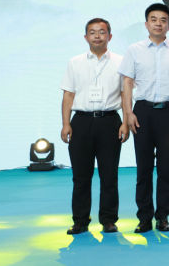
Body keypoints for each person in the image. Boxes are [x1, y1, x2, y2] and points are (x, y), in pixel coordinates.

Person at [119, 3, 169, 233]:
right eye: (154, 19)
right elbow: (127, 83)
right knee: (144, 168)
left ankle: (163, 217)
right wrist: (128, 113)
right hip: (142, 112)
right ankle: (144, 217)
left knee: (166, 169)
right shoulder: (134, 49)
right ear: (146, 23)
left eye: (163, 20)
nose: (158, 23)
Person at [61, 18, 128, 234]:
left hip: (110, 121)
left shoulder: (121, 62)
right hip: (81, 121)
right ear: (85, 37)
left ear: (110, 36)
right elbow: (68, 95)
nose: (97, 36)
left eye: (102, 32)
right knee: (81, 175)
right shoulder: (75, 62)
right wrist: (65, 124)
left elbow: (126, 95)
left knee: (109, 174)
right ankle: (80, 221)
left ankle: (108, 220)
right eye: (92, 32)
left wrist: (126, 122)